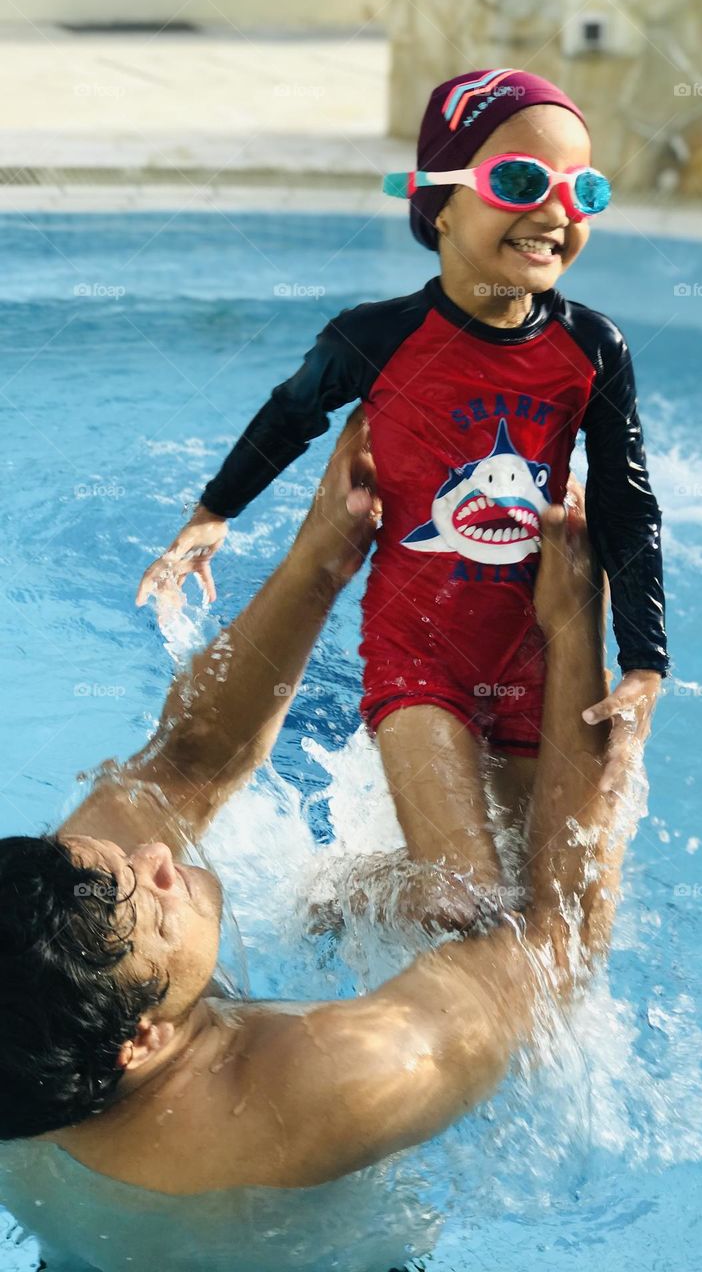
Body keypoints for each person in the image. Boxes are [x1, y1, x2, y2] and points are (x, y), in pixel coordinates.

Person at [0, 414, 622, 1229]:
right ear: (141, 1043)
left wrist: (323, 553)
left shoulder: (43, 984)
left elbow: (186, 761)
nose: (152, 854)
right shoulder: (340, 1083)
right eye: (150, 900)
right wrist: (576, 632)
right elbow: (556, 945)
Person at [134, 68, 667, 926]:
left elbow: (628, 504)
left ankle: (378, 887)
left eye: (584, 189)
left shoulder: (592, 347)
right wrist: (213, 514)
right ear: (439, 204)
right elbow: (292, 414)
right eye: (523, 181)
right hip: (420, 653)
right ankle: (336, 896)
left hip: (539, 651)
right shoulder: (377, 336)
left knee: (559, 911)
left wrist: (645, 660)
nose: (558, 211)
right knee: (467, 900)